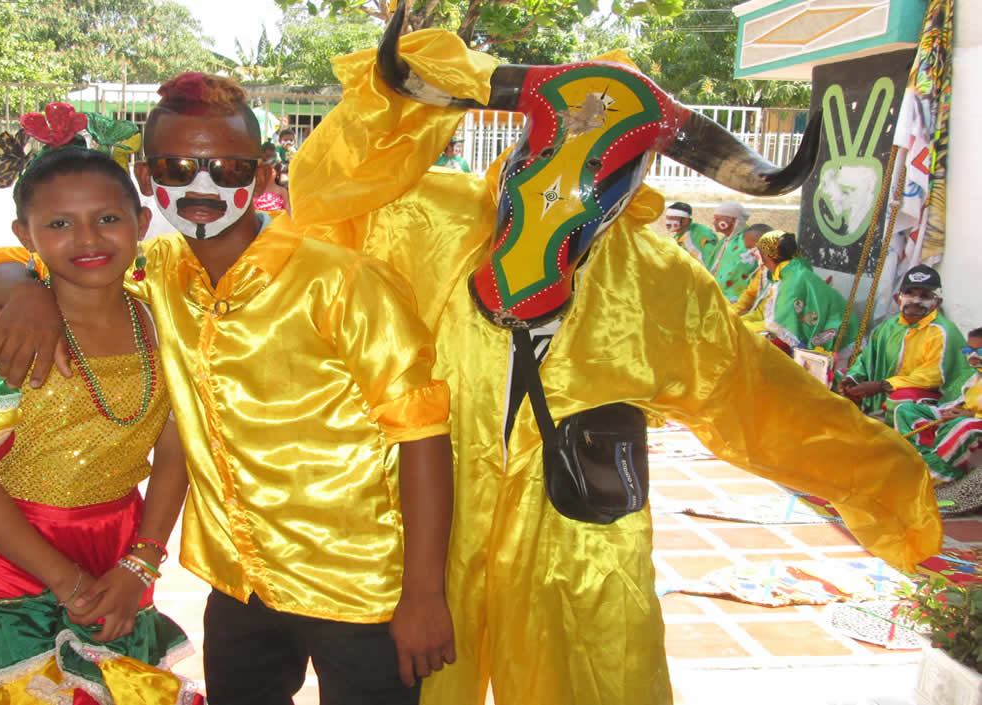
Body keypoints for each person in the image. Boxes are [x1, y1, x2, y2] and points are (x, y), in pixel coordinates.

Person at [285, 26, 940, 705]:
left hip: (578, 553)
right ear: (520, 152)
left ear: (630, 184)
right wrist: (434, 79)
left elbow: (764, 402)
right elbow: (328, 190)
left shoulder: (660, 284)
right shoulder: (421, 220)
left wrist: (890, 481)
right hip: (429, 533)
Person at [0, 73, 457, 705]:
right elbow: (0, 273)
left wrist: (424, 593)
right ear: (147, 179)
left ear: (261, 178)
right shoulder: (155, 272)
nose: (203, 185)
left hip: (360, 582)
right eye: (179, 165)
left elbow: (421, 432)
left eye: (227, 168)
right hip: (239, 581)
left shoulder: (343, 282)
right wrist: (28, 288)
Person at [0, 110, 200, 702]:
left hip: (121, 546)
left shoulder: (165, 321)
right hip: (9, 554)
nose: (89, 239)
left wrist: (141, 564)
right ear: (25, 235)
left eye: (107, 219)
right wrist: (66, 582)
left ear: (142, 221)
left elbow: (176, 447)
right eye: (59, 224)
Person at [839, 264, 971, 424]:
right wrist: (853, 378)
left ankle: (905, 444)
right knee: (835, 379)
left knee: (900, 401)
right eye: (909, 293)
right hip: (881, 390)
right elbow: (866, 359)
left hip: (935, 399)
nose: (915, 301)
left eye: (925, 296)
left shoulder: (943, 332)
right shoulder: (888, 326)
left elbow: (931, 378)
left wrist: (882, 386)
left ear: (936, 302)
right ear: (897, 298)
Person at [730, 230, 857, 359]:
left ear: (767, 256)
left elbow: (780, 323)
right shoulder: (789, 271)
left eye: (756, 251)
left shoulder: (793, 279)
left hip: (838, 338)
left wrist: (739, 325)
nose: (754, 255)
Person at [895, 328, 982, 485]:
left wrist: (970, 416)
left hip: (973, 421)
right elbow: (966, 399)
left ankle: (938, 474)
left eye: (980, 351)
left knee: (965, 426)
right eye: (969, 350)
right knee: (907, 410)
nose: (973, 356)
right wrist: (954, 409)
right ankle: (918, 458)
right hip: (967, 415)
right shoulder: (974, 375)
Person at [706, 201, 761, 301]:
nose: (714, 222)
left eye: (718, 219)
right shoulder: (725, 240)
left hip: (738, 299)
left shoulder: (748, 238)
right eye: (714, 219)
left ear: (733, 220)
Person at [663, 201, 718, 265]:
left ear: (686, 220)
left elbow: (712, 260)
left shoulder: (703, 233)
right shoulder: (678, 236)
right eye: (667, 218)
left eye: (672, 218)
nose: (668, 222)